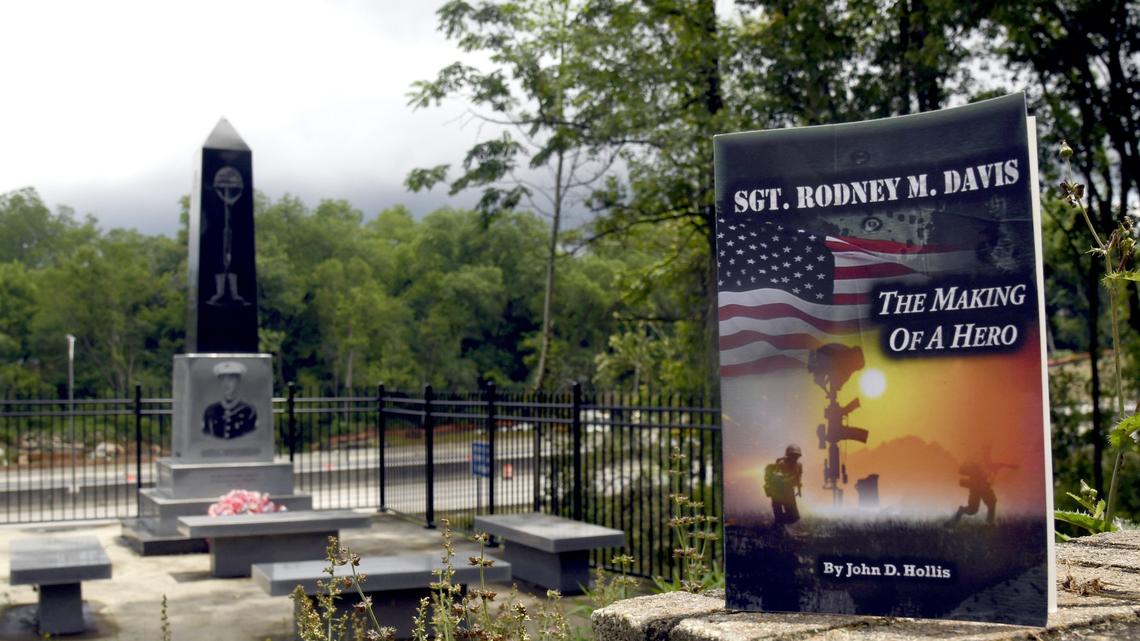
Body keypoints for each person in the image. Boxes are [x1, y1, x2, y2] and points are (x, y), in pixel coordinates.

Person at [202, 361, 257, 439]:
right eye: (223, 380)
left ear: (238, 382)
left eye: (231, 380)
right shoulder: (210, 411)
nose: (226, 384)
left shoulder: (249, 411)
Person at [765, 444, 804, 525]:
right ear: (788, 455)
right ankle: (778, 526)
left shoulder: (799, 466)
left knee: (794, 517)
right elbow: (777, 478)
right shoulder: (781, 463)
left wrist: (799, 490)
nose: (795, 457)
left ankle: (779, 524)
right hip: (777, 492)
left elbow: (798, 478)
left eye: (796, 455)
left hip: (789, 492)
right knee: (779, 516)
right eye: (793, 455)